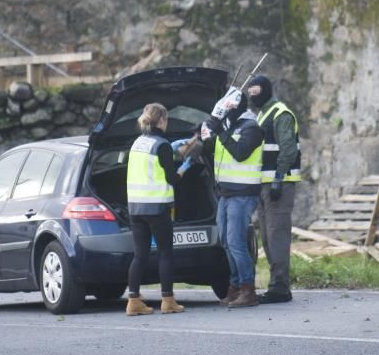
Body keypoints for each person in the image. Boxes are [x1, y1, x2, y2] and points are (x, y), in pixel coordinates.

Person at [125, 102, 188, 316]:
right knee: (165, 254)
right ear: (162, 120)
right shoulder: (161, 144)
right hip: (157, 207)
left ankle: (133, 301)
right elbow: (171, 178)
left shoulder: (137, 143)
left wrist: (170, 148)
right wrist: (186, 166)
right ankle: (168, 301)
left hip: (135, 208)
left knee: (140, 255)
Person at [202, 89, 264, 308]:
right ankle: (236, 286)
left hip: (243, 194)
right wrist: (207, 134)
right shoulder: (231, 127)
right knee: (227, 243)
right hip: (226, 194)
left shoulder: (252, 128)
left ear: (236, 108)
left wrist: (220, 132)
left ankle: (248, 290)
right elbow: (215, 155)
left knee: (237, 243)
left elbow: (240, 152)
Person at [247, 74, 301, 304]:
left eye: (256, 92)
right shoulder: (262, 115)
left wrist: (278, 178)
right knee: (268, 238)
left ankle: (280, 288)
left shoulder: (281, 113)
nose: (253, 96)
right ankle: (276, 284)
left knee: (277, 236)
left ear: (267, 90)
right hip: (264, 186)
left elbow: (288, 150)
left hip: (278, 185)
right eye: (250, 93)